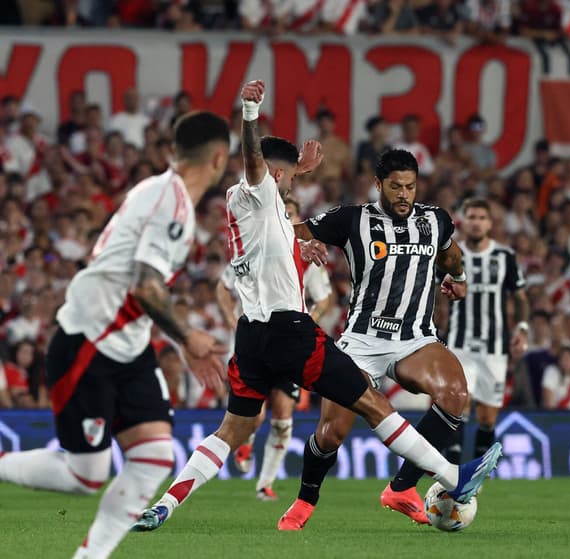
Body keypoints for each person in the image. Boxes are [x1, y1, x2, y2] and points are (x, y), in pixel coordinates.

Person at [132, 79, 501, 534]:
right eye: (285, 173)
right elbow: (257, 167)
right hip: (291, 331)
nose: (286, 179)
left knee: (232, 430)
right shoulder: (261, 188)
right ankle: (451, 475)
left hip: (251, 336)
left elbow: (278, 220)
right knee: (372, 405)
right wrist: (249, 113)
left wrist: (297, 237)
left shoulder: (246, 206)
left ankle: (165, 504)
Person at [0, 111, 232, 559]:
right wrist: (188, 337)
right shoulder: (174, 205)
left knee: (154, 457)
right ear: (219, 158)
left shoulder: (157, 191)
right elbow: (145, 285)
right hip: (91, 340)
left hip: (127, 343)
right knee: (85, 475)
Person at [285, 148, 476, 528]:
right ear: (378, 185)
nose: (404, 194)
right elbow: (294, 233)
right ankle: (305, 501)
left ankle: (402, 487)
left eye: (410, 186)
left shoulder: (435, 220)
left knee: (455, 395)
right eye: (395, 187)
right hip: (362, 340)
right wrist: (301, 245)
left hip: (415, 338)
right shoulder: (352, 219)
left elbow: (450, 255)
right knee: (331, 432)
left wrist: (458, 279)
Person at [223, 197, 333, 501]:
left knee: (283, 418)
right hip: (256, 338)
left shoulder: (306, 255)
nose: (286, 219)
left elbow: (324, 298)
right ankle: (244, 441)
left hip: (290, 341)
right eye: (281, 213)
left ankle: (264, 484)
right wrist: (231, 317)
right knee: (253, 416)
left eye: (291, 215)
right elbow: (224, 285)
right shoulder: (254, 246)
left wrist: (311, 317)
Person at [444, 198, 528, 463]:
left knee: (487, 417)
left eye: (482, 217)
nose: (476, 222)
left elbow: (521, 297)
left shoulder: (504, 256)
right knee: (459, 405)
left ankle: (479, 474)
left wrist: (522, 329)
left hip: (495, 347)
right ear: (463, 221)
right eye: (472, 217)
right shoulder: (451, 255)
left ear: (490, 223)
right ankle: (453, 473)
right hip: (460, 343)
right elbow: (435, 294)